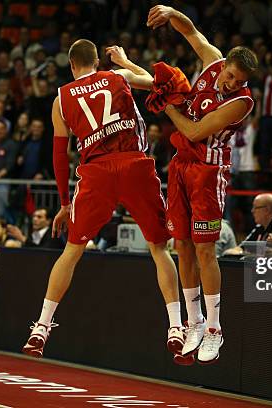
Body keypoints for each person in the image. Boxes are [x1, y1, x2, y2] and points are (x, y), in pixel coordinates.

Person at [22, 40, 182, 364]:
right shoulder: (118, 76)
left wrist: (66, 203)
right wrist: (127, 60)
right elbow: (158, 84)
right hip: (135, 163)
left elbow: (58, 155)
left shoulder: (61, 98)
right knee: (159, 248)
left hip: (96, 173)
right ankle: (176, 326)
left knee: (71, 252)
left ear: (71, 65)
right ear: (97, 61)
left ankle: (41, 326)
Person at [147, 4, 258, 364]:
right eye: (229, 76)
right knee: (182, 244)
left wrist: (166, 106)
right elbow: (191, 32)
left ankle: (214, 329)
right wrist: (171, 11)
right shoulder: (212, 61)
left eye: (237, 81)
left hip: (209, 173)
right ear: (224, 65)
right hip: (181, 165)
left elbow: (193, 130)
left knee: (205, 250)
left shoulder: (241, 103)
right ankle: (193, 322)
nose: (230, 83)